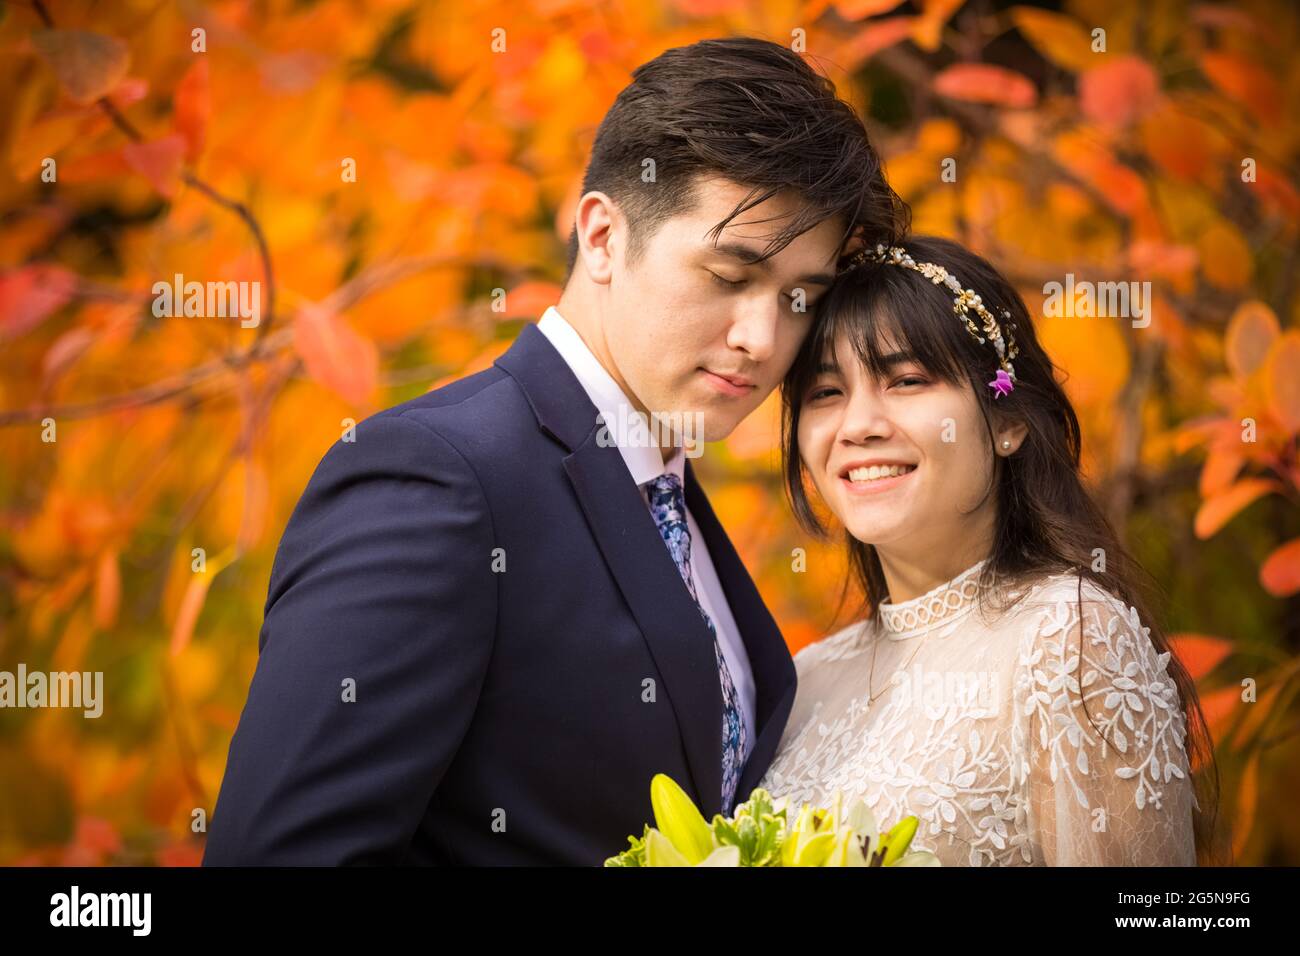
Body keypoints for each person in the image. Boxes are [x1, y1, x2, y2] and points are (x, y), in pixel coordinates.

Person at [203, 36, 907, 865]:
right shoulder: (437, 481)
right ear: (603, 237)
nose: (762, 337)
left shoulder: (669, 490)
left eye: (798, 297)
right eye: (728, 275)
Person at [758, 236, 1219, 866]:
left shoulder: (1069, 640)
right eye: (826, 393)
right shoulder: (805, 680)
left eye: (908, 380)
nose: (859, 425)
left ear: (1006, 422)